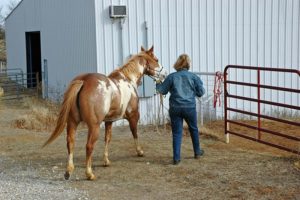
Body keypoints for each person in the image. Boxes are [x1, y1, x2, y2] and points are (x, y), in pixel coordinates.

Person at [156, 54, 205, 165]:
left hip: (175, 108)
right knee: (194, 129)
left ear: (177, 63)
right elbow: (201, 93)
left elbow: (162, 91)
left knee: (177, 133)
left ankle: (176, 158)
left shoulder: (171, 77)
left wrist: (158, 84)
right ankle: (197, 152)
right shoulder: (194, 77)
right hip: (190, 107)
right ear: (188, 64)